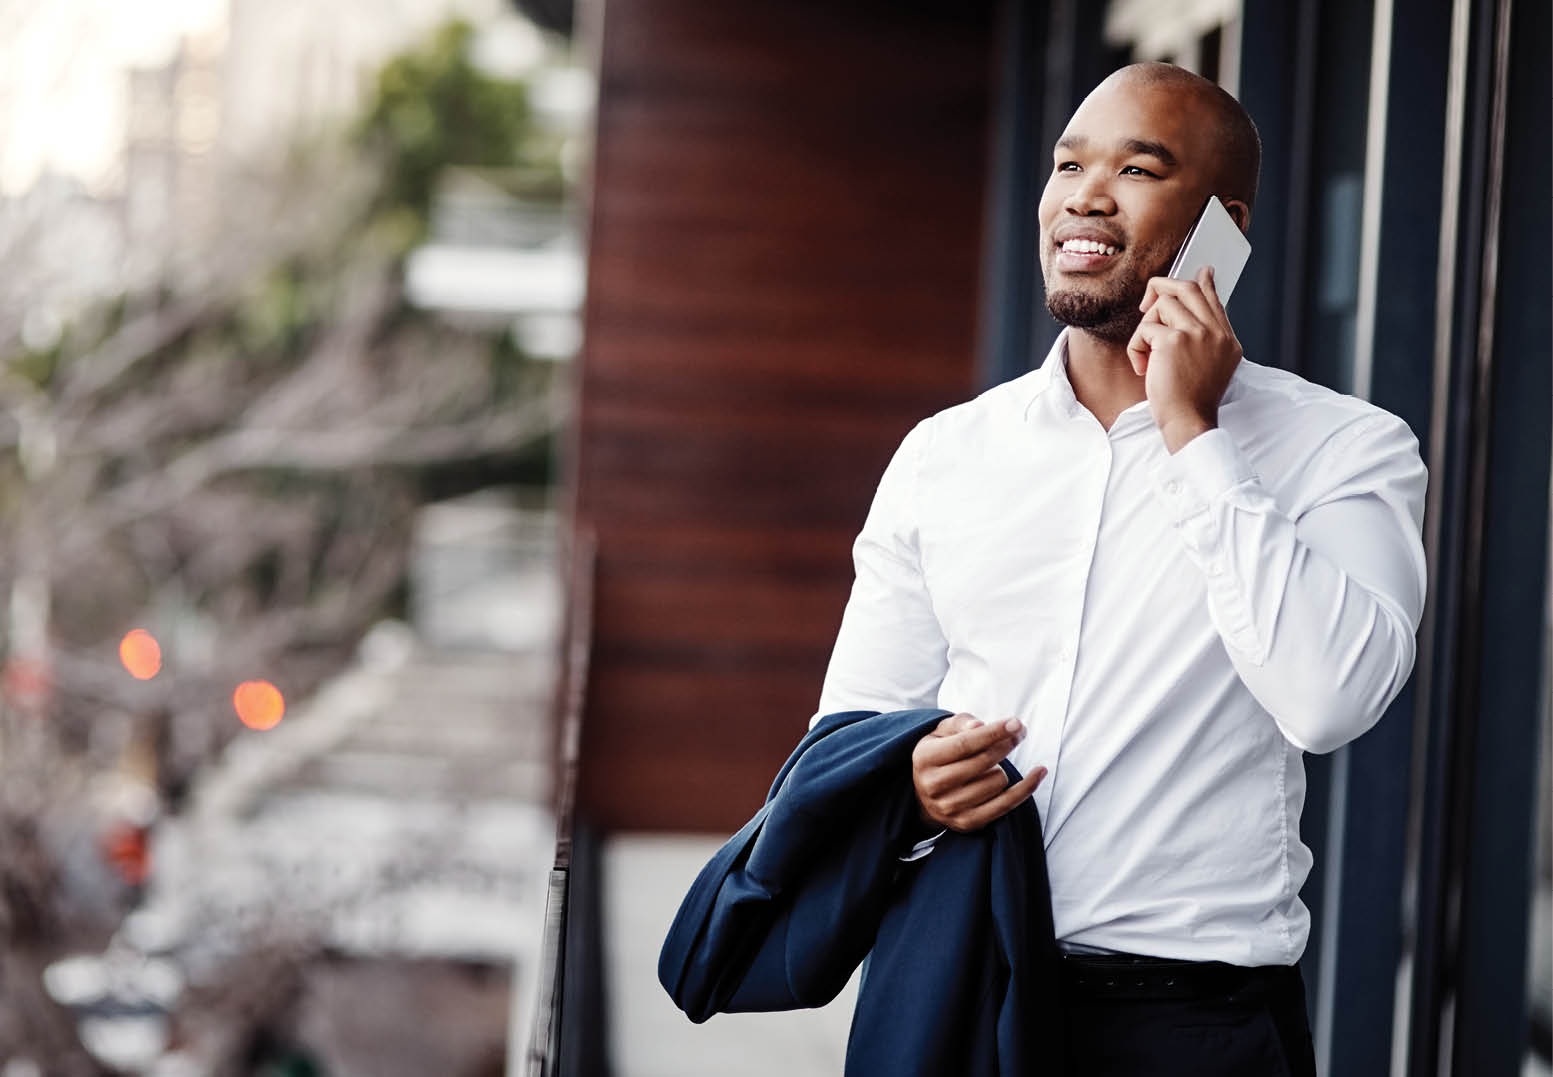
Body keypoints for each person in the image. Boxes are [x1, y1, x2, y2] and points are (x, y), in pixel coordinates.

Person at [811, 62, 1427, 1076]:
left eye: (1135, 168)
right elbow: (851, 733)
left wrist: (1192, 434)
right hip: (951, 991)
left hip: (1189, 1024)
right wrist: (909, 787)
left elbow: (1326, 701)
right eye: (1066, 163)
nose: (1083, 193)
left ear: (1220, 230)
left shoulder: (1345, 450)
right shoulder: (944, 453)